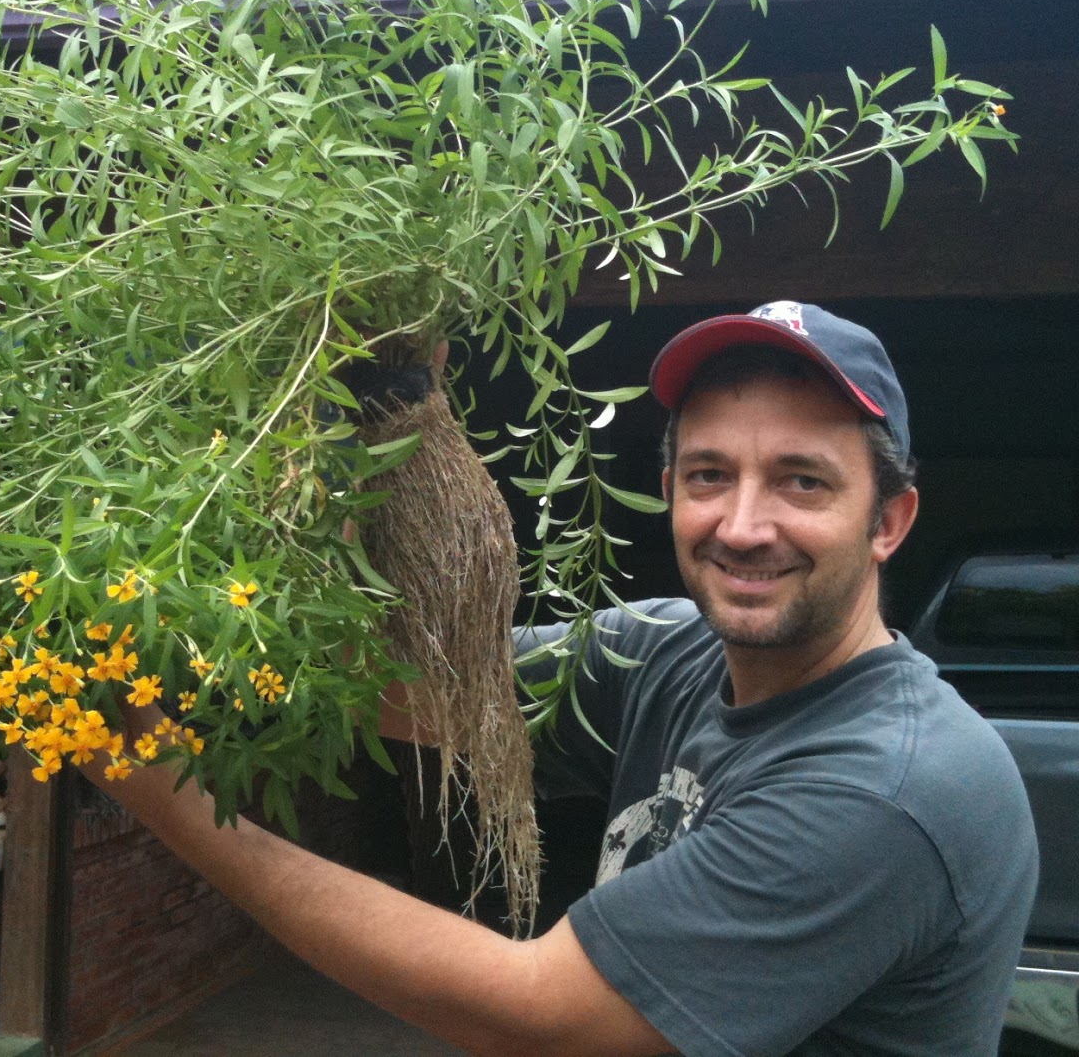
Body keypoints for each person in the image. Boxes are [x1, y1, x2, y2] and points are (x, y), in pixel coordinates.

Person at [85, 301, 1038, 1056]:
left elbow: (535, 1016)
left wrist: (162, 788)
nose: (744, 524)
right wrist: (358, 448)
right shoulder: (668, 656)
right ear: (669, 491)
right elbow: (390, 684)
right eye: (710, 474)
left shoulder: (889, 788)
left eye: (803, 481)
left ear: (889, 521)